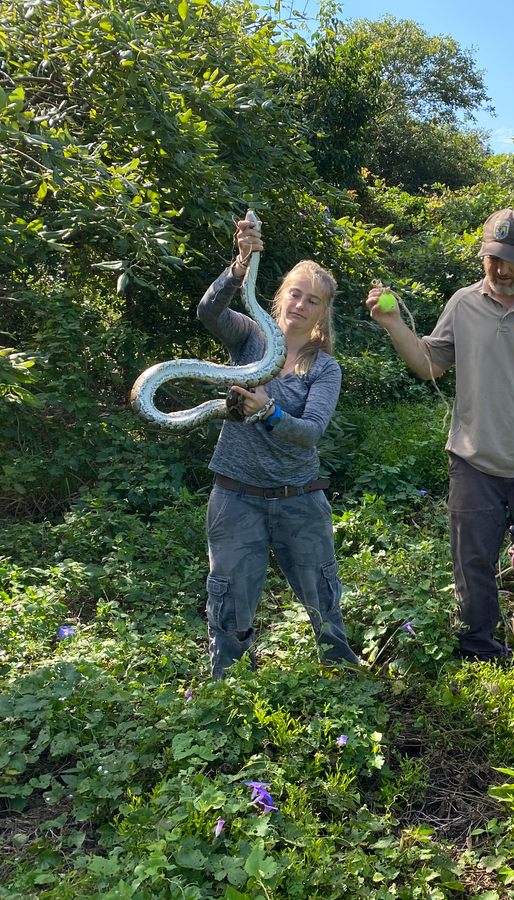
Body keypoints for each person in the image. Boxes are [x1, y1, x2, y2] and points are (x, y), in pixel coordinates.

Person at [365, 208, 514, 662]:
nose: (500, 267)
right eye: (492, 257)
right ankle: (478, 645)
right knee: (471, 561)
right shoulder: (463, 304)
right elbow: (431, 363)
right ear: (482, 254)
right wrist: (394, 325)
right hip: (473, 461)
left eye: (511, 258)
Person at [198, 215, 359, 678]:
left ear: (322, 312)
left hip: (299, 498)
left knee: (322, 591)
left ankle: (340, 670)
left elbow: (310, 431)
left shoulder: (324, 368)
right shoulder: (251, 338)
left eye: (313, 300)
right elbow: (208, 312)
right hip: (235, 496)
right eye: (295, 293)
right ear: (280, 295)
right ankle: (230, 681)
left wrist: (268, 411)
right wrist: (239, 265)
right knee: (230, 592)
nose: (301, 304)